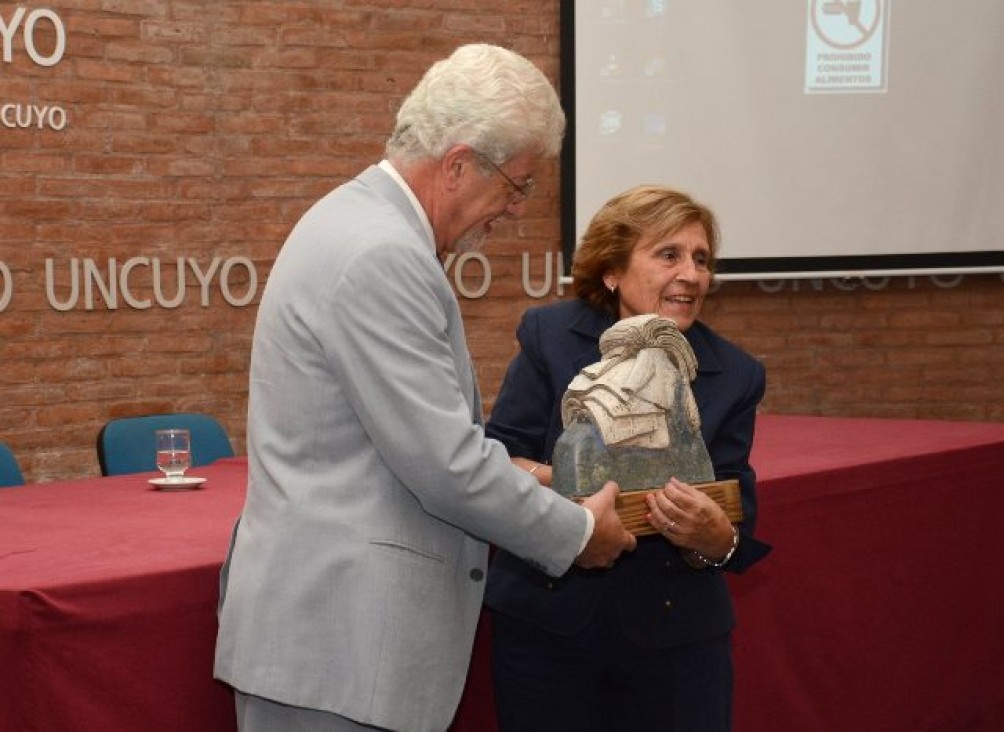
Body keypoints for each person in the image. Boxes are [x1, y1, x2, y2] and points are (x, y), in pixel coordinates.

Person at [213, 44, 636, 732]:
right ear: (459, 162)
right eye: (517, 184)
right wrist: (578, 532)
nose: (516, 209)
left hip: (336, 645)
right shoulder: (383, 253)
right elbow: (443, 467)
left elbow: (402, 444)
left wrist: (521, 474)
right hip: (340, 650)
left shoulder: (361, 224)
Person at [485, 184, 772, 732]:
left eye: (701, 259)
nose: (691, 274)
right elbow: (498, 457)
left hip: (676, 645)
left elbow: (735, 518)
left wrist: (712, 541)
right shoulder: (550, 337)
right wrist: (564, 483)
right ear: (612, 270)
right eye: (669, 254)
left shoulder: (735, 374)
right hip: (549, 627)